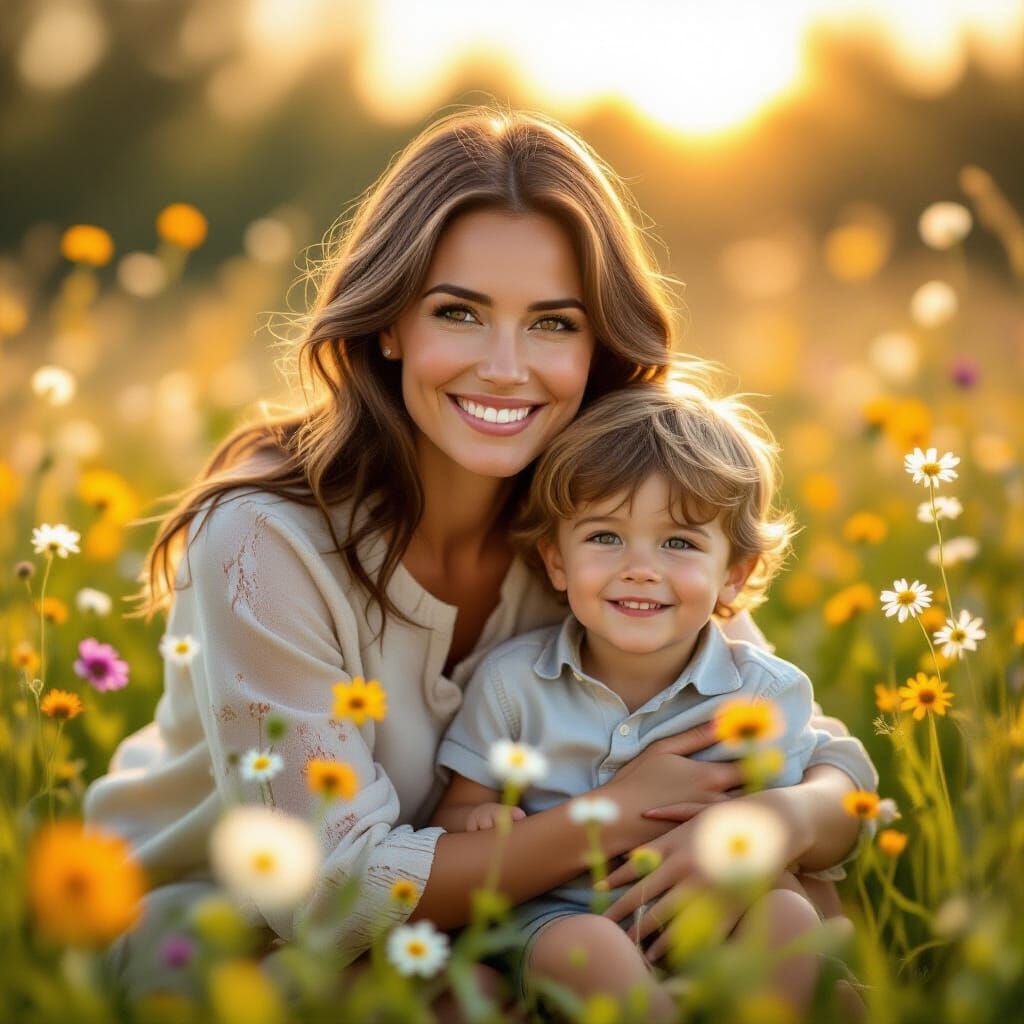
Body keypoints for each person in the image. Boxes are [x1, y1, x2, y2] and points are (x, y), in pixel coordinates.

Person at [84, 107, 877, 1009]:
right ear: (390, 324)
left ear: (597, 346)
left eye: (553, 323)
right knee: (459, 1003)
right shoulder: (265, 541)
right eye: (458, 313)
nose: (505, 367)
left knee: (794, 911)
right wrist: (612, 816)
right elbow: (324, 896)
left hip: (504, 917)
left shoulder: (611, 521)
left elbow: (821, 762)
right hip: (242, 934)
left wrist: (779, 817)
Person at [433, 379, 877, 1018]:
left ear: (734, 574)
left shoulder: (763, 692)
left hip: (713, 907)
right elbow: (456, 811)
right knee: (589, 948)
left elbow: (806, 846)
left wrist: (773, 856)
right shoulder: (513, 684)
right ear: (556, 561)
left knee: (785, 914)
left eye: (679, 543)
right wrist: (481, 820)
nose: (640, 568)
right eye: (604, 537)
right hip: (563, 915)